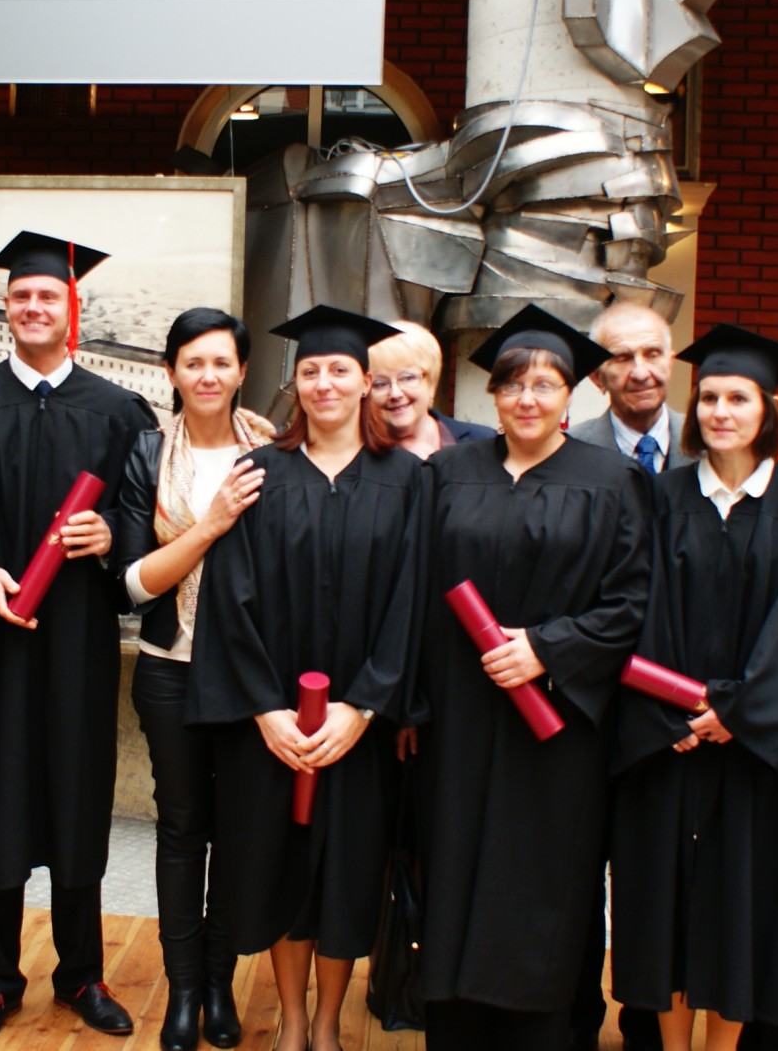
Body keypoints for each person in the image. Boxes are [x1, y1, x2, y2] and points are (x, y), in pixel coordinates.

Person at [0, 232, 157, 1047]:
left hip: (78, 637)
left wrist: (112, 536)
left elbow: (145, 521)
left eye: (47, 296)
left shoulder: (118, 411)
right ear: (5, 307)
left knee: (76, 796)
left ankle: (82, 972)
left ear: (71, 308)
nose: (33, 306)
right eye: (21, 295)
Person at [411, 304, 653, 1049]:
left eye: (545, 385)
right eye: (513, 384)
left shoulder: (613, 479)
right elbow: (413, 590)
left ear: (571, 394)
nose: (526, 398)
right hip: (457, 711)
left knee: (542, 873)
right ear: (492, 393)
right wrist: (411, 707)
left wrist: (549, 647)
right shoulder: (448, 471)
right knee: (451, 859)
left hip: (557, 723)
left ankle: (541, 1029)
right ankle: (451, 1024)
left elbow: (634, 598)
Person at [188, 304, 426, 1051]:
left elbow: (413, 602)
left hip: (359, 731)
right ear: (296, 382)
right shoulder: (259, 473)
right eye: (312, 370)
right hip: (275, 732)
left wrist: (365, 705)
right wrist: (266, 710)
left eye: (340, 370)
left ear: (366, 382)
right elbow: (228, 600)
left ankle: (327, 1024)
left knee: (346, 878)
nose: (325, 383)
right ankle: (292, 1020)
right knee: (282, 873)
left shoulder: (409, 481)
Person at [609, 324, 778, 1051]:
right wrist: (678, 714)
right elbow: (638, 611)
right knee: (669, 907)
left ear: (770, 409)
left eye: (738, 398)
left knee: (744, 907)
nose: (719, 411)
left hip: (754, 753)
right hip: (671, 743)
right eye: (708, 396)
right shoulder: (659, 497)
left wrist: (737, 711)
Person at [109, 307, 273, 1051]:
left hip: (248, 677)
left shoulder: (274, 452)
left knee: (238, 834)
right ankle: (181, 989)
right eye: (193, 362)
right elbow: (132, 583)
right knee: (181, 830)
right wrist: (209, 524)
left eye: (221, 362)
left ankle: (217, 981)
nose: (208, 375)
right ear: (171, 371)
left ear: (242, 371)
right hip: (170, 669)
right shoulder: (147, 454)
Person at [563, 299, 689, 1051]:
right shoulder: (567, 448)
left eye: (653, 353)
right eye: (620, 357)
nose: (640, 370)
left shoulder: (716, 445)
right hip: (584, 697)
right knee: (576, 866)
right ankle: (573, 1017)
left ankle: (648, 1018)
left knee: (656, 872)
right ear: (596, 373)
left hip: (673, 709)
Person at [567, 300, 693, 479]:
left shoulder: (706, 443)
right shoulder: (570, 453)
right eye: (622, 358)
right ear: (597, 378)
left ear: (670, 364)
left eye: (652, 354)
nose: (641, 374)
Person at [366, 319, 491, 458]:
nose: (395, 394)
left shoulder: (484, 444)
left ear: (430, 382)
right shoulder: (358, 457)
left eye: (408, 378)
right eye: (380, 384)